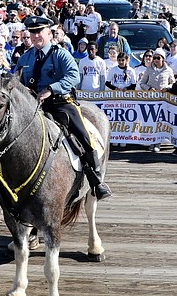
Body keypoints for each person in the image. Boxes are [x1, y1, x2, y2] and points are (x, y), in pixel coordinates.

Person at [15, 15, 111, 200]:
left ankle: (95, 179)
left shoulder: (60, 54)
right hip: (32, 106)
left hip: (59, 104)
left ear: (49, 33)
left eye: (39, 32)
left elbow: (73, 76)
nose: (35, 36)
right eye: (32, 33)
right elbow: (17, 80)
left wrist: (51, 89)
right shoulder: (25, 58)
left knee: (81, 134)